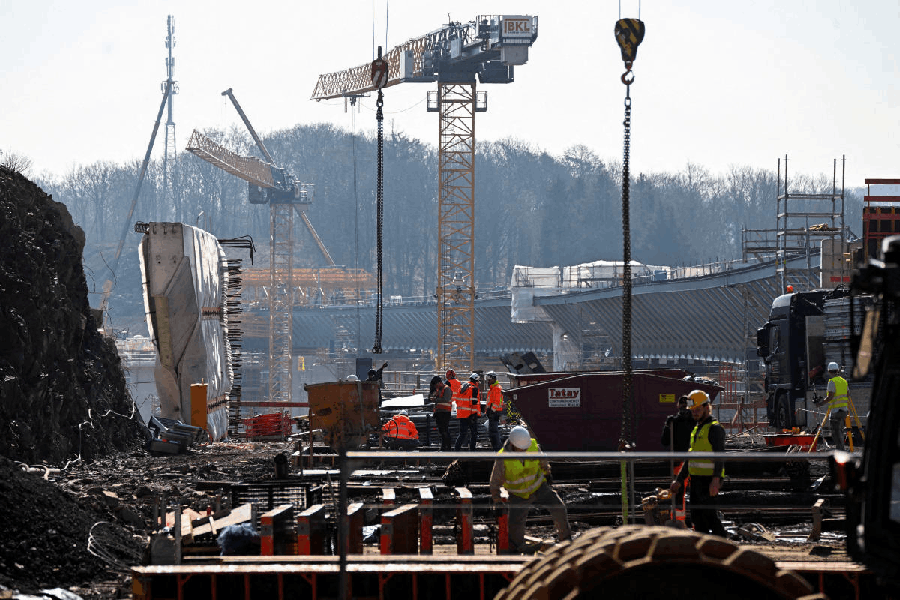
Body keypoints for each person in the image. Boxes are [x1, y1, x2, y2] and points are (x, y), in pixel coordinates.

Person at [490, 426, 571, 554]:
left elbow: (542, 460)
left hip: (538, 487)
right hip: (518, 494)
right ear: (512, 444)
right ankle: (518, 547)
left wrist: (547, 472)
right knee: (515, 524)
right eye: (522, 448)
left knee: (558, 507)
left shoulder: (533, 446)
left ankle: (566, 541)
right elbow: (495, 483)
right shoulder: (502, 458)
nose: (525, 450)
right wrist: (497, 501)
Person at [669, 389, 727, 537]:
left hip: (708, 480)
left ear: (707, 408)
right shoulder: (698, 429)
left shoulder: (714, 428)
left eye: (697, 410)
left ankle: (724, 546)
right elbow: (690, 459)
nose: (694, 413)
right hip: (696, 481)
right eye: (692, 410)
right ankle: (705, 549)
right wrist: (679, 480)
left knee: (710, 517)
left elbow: (719, 456)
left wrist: (715, 481)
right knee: (698, 518)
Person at [661, 395, 694, 525]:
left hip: (679, 462)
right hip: (694, 462)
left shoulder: (673, 422)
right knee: (695, 492)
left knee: (678, 493)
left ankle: (679, 522)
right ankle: (691, 522)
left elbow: (664, 441)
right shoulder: (697, 422)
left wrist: (667, 426)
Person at [820, 362, 849, 450]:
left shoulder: (832, 382)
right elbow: (848, 394)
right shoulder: (844, 381)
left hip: (836, 411)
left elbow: (830, 397)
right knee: (840, 430)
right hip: (844, 411)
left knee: (835, 432)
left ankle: (840, 450)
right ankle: (841, 448)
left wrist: (820, 403)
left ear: (829, 371)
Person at [454, 372, 482, 451]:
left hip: (462, 414)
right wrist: (474, 415)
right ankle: (472, 451)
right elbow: (473, 403)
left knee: (462, 434)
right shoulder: (473, 389)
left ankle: (456, 450)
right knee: (474, 434)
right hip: (470, 415)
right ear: (475, 381)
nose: (478, 384)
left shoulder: (462, 387)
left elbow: (457, 401)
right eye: (478, 382)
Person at [430, 375, 453, 450]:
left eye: (436, 384)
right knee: (441, 430)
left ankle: (448, 447)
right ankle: (443, 447)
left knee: (445, 430)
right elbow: (431, 396)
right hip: (439, 412)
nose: (436, 386)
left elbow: (446, 399)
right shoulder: (438, 390)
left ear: (440, 382)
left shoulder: (447, 389)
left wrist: (435, 400)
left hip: (445, 412)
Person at [486, 371, 505, 450]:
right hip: (493, 412)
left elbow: (497, 402)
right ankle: (496, 448)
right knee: (492, 432)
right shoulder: (493, 388)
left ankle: (497, 449)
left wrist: (492, 411)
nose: (488, 381)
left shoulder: (496, 388)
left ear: (493, 379)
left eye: (489, 380)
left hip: (495, 413)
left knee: (494, 432)